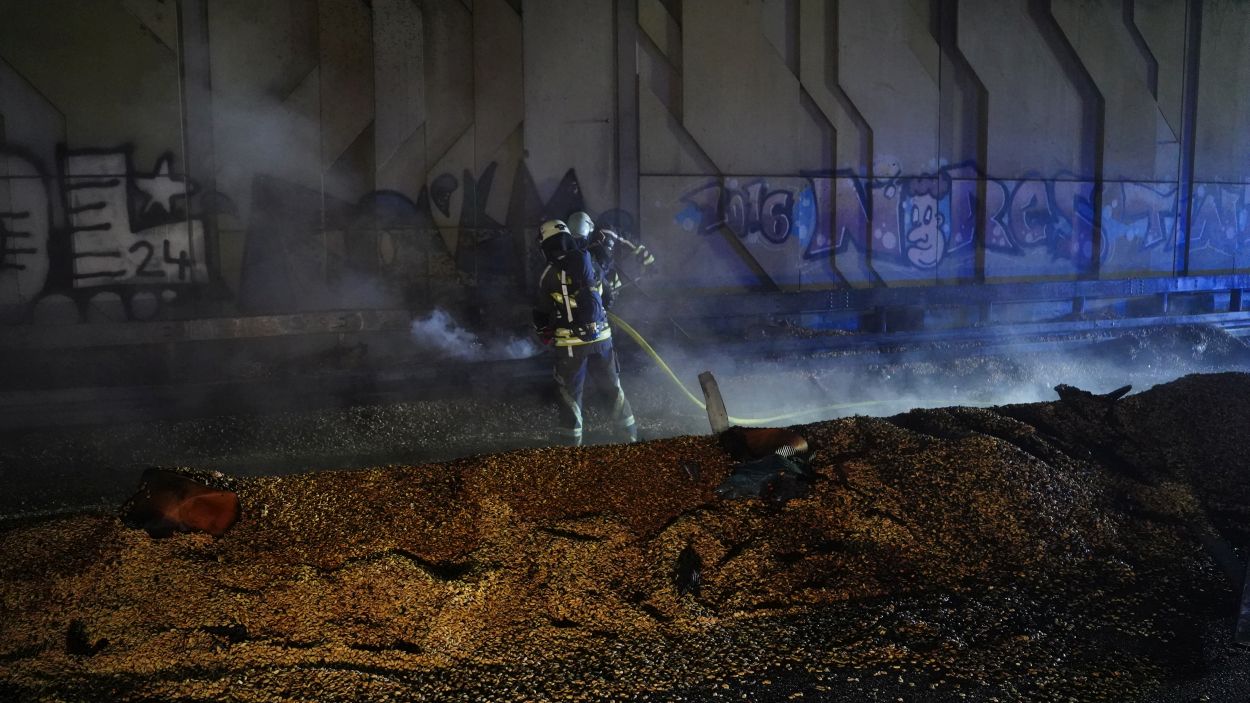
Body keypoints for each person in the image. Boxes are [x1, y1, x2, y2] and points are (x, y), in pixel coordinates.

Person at [533, 218, 638, 446]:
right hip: (602, 340)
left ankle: (571, 449)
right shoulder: (590, 261)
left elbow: (541, 311)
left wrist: (544, 331)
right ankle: (629, 440)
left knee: (570, 395)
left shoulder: (549, 273)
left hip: (571, 346)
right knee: (612, 389)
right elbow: (607, 297)